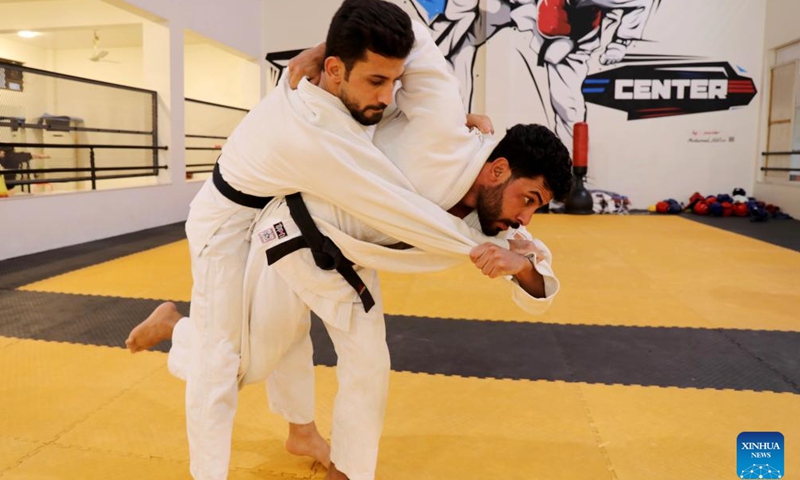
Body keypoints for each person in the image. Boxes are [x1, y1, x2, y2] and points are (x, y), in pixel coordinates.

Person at [128, 3, 572, 479]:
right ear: (499, 170)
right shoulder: (428, 124)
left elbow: (536, 269)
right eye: (528, 199)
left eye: (536, 207)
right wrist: (325, 50)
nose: (525, 217)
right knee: (245, 364)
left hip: (350, 262)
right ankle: (180, 329)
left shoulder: (494, 215)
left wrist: (520, 266)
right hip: (292, 237)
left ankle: (346, 467)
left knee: (368, 364)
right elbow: (406, 26)